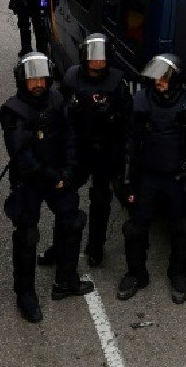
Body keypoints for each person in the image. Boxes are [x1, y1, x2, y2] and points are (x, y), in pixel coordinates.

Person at [0, 53, 94, 323]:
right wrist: (54, 176)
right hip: (31, 180)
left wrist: (69, 170)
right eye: (32, 79)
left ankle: (67, 277)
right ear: (22, 81)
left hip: (59, 175)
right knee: (27, 236)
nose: (38, 83)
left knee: (72, 221)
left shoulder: (56, 99)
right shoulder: (13, 110)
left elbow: (69, 136)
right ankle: (25, 293)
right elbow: (22, 155)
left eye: (42, 78)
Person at [118, 54, 186, 304]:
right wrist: (126, 181)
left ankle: (177, 274)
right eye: (156, 76)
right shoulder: (141, 102)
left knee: (183, 228)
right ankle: (136, 274)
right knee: (135, 229)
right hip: (147, 176)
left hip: (177, 178)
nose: (159, 81)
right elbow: (130, 145)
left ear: (176, 78)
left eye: (165, 77)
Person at [51, 34, 131, 268]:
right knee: (65, 199)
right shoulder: (72, 77)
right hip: (80, 150)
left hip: (106, 151)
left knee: (100, 200)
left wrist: (113, 116)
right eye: (92, 58)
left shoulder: (118, 82)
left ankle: (96, 247)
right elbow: (61, 113)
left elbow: (128, 120)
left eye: (101, 58)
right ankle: (59, 246)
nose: (97, 63)